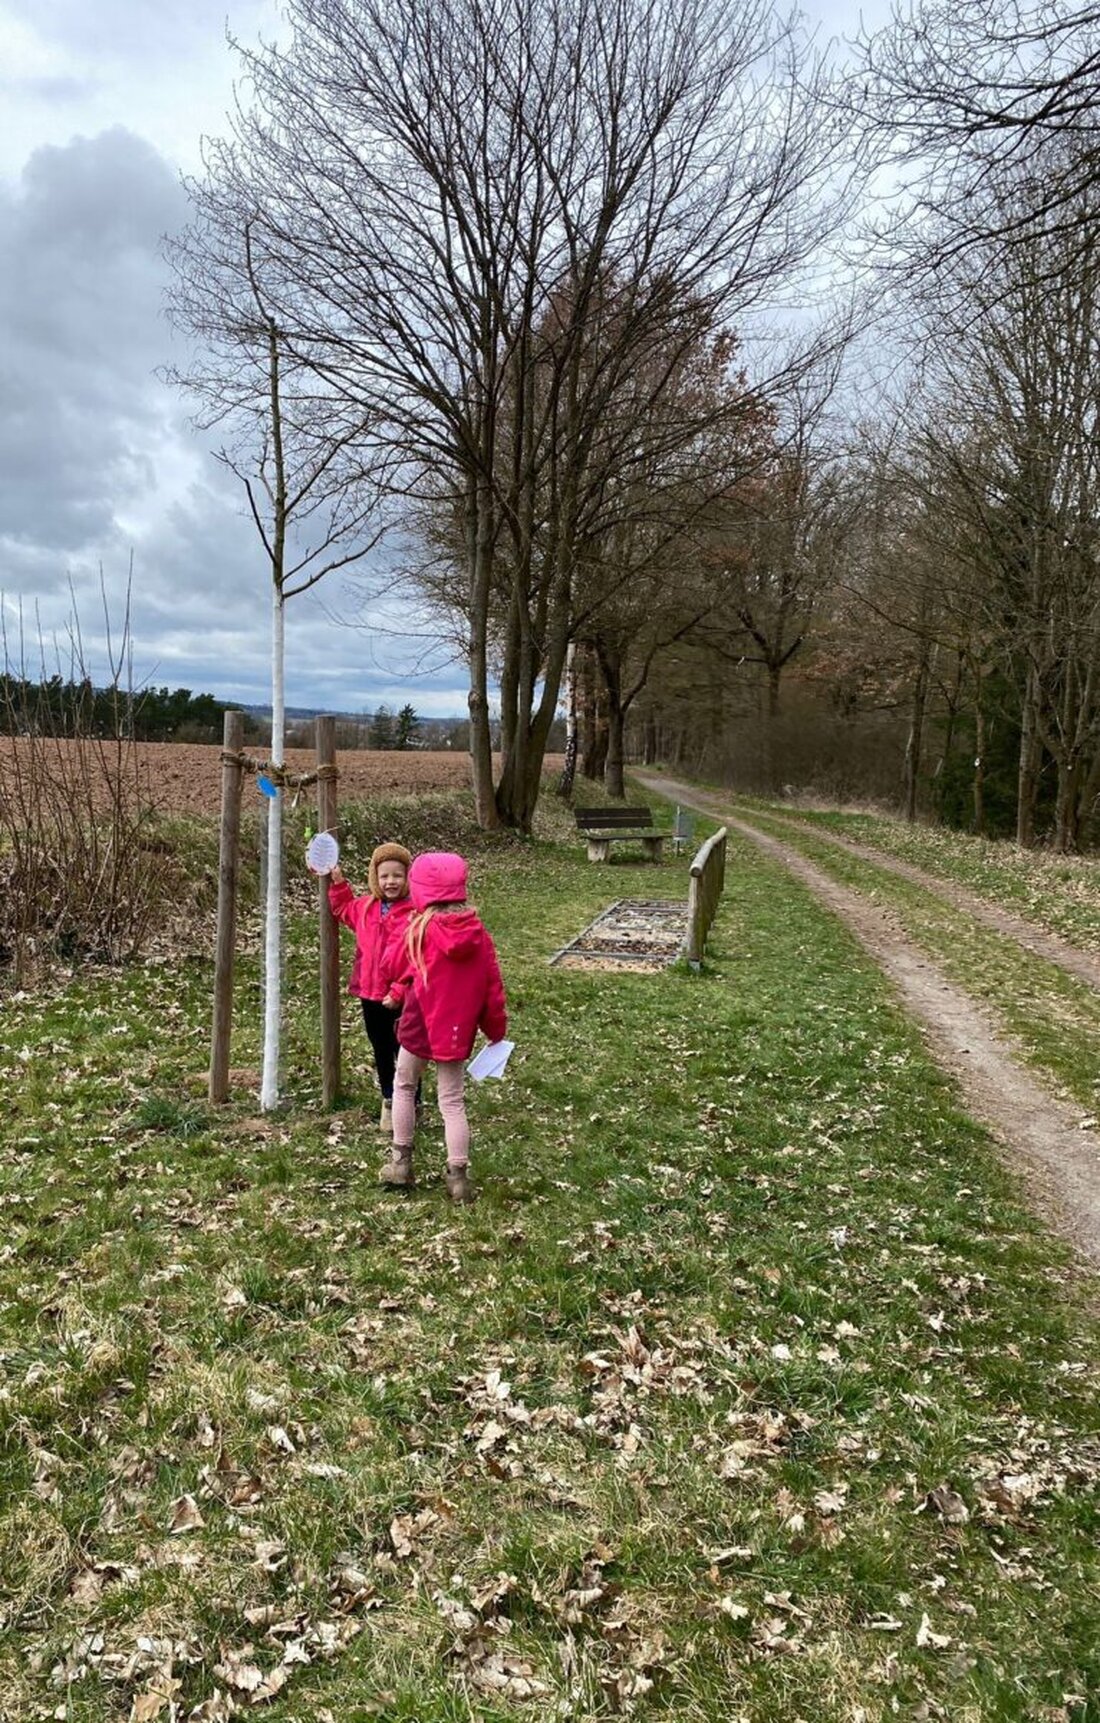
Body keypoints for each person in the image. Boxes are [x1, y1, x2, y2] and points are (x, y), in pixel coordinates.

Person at [381, 850, 507, 1203]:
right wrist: (496, 1031)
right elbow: (491, 989)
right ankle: (458, 1179)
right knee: (452, 1101)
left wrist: (403, 932)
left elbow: (390, 966)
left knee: (404, 1085)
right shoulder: (478, 936)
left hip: (420, 1025)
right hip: (457, 1030)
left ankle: (401, 1163)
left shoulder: (418, 930)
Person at [325, 843, 414, 1133]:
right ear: (376, 877)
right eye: (385, 876)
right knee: (380, 1048)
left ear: (407, 877)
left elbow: (419, 957)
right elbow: (341, 908)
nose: (391, 882)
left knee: (406, 1051)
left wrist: (401, 989)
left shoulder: (415, 913)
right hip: (370, 993)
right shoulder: (365, 908)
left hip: (403, 997)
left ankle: (412, 1102)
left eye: (397, 875)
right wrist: (338, 883)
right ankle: (389, 1100)